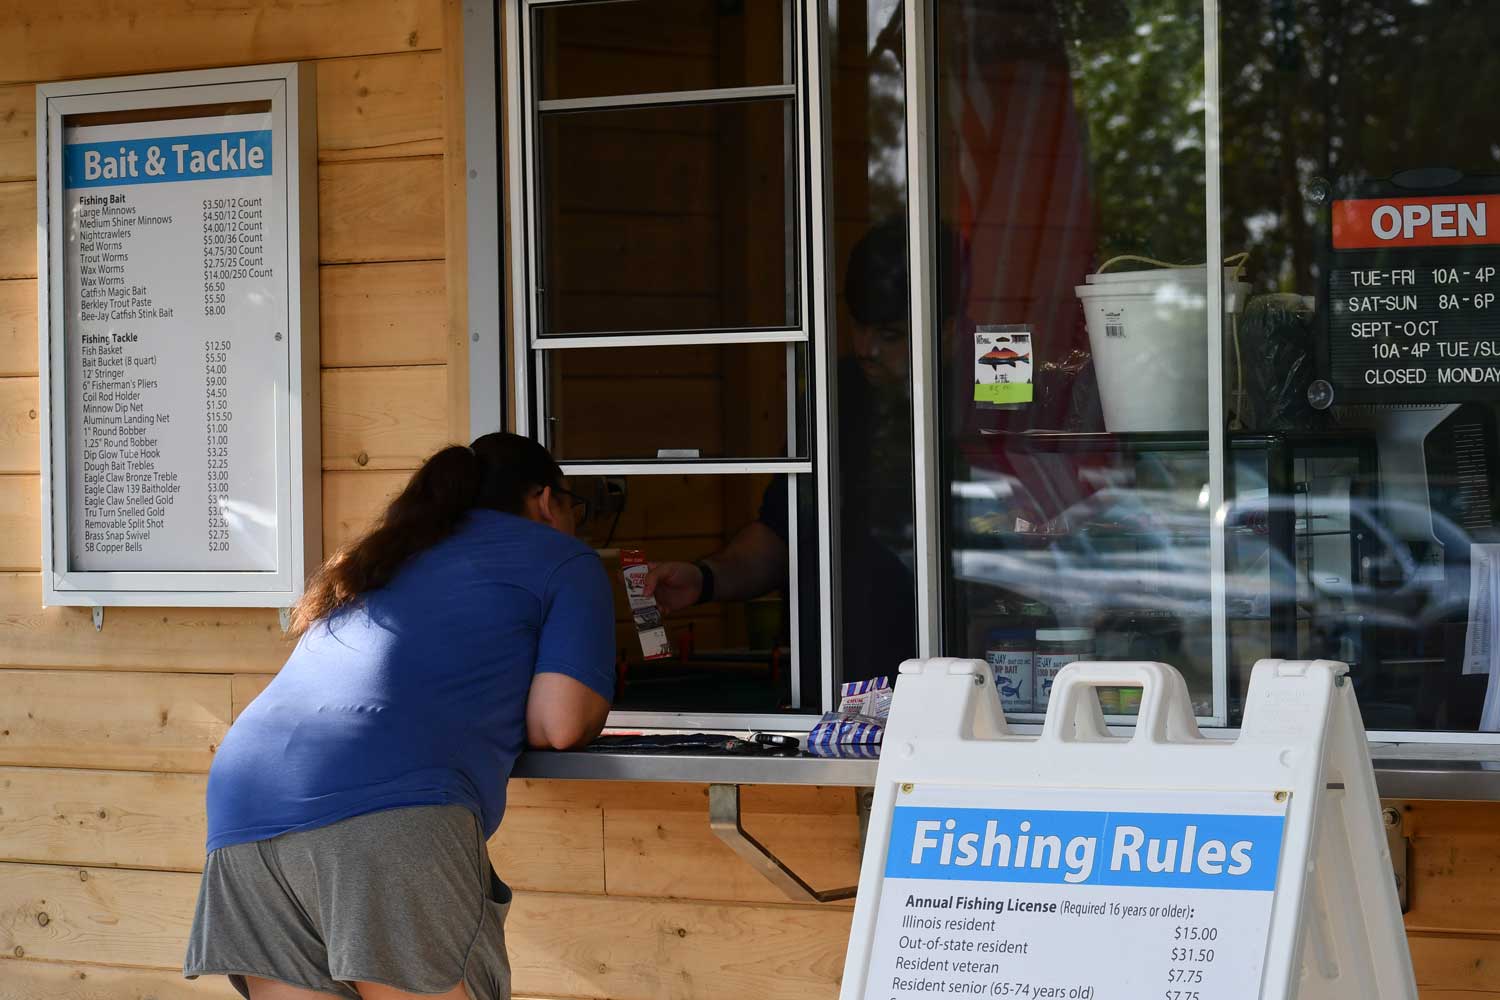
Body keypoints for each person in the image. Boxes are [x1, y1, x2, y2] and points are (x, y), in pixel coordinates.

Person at [183, 432, 616, 1000]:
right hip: (383, 809)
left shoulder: (390, 550)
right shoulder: (562, 557)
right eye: (573, 506)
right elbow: (559, 724)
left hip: (245, 801)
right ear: (545, 500)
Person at [644, 217, 928, 681]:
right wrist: (705, 578)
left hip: (967, 680)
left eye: (890, 335)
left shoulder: (988, 400)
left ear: (949, 327)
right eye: (857, 326)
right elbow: (783, 532)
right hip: (833, 685)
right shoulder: (837, 394)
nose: (865, 348)